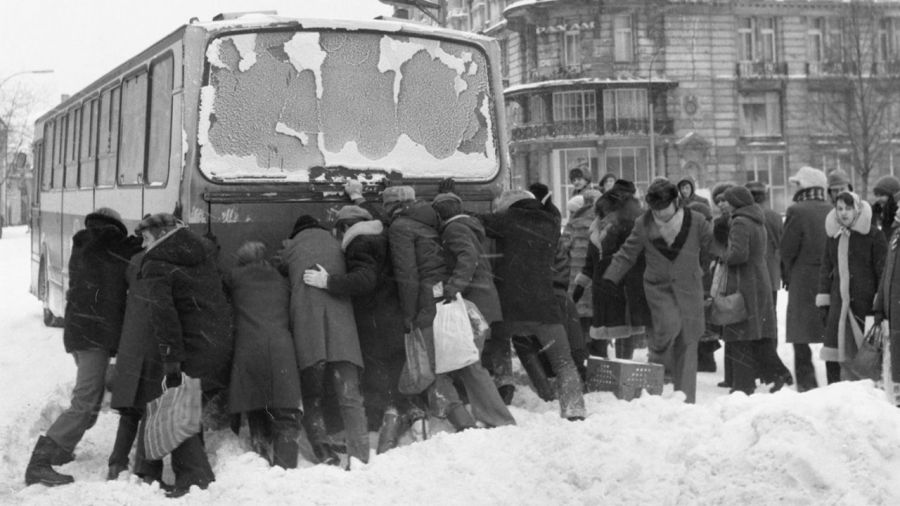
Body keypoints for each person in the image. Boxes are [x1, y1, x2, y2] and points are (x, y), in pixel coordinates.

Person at [25, 208, 141, 487]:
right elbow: (119, 256)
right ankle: (40, 462)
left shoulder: (86, 247)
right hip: (92, 336)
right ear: (112, 229)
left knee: (92, 395)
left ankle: (61, 449)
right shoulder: (102, 247)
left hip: (83, 333)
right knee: (86, 398)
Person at [135, 212, 234, 497]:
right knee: (183, 401)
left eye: (145, 237)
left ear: (159, 235)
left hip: (190, 346)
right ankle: (148, 470)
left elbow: (163, 315)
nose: (143, 244)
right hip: (215, 342)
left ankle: (194, 477)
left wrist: (171, 358)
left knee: (178, 404)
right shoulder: (200, 253)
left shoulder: (157, 263)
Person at [302, 204, 409, 454]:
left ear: (346, 227)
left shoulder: (359, 242)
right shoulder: (382, 236)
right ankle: (393, 426)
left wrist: (328, 281)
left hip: (374, 323)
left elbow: (365, 280)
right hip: (392, 317)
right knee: (393, 381)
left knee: (375, 380)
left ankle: (384, 439)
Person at [602, 180, 713, 404]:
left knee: (688, 341)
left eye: (664, 208)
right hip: (659, 288)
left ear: (675, 202)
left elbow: (712, 245)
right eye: (655, 209)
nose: (660, 214)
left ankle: (685, 400)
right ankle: (654, 390)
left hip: (689, 288)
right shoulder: (644, 223)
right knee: (669, 325)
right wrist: (609, 278)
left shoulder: (696, 221)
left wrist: (720, 246)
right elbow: (627, 253)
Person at [479, 189, 587, 420]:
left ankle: (503, 380)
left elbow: (476, 220)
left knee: (498, 342)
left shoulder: (507, 221)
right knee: (563, 361)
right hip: (544, 307)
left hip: (509, 307)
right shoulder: (550, 225)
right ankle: (574, 408)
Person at [382, 186, 479, 431]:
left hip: (424, 298)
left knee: (428, 364)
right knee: (439, 360)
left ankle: (461, 421)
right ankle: (457, 416)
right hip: (440, 293)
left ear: (390, 207)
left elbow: (407, 274)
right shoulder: (428, 219)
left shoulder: (399, 227)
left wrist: (408, 314)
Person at [279, 215, 369, 466]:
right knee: (350, 396)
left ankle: (323, 452)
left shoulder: (290, 247)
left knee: (312, 395)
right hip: (343, 334)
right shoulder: (337, 245)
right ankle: (360, 456)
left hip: (310, 333)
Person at [430, 192, 516, 428]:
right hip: (484, 302)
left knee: (469, 366)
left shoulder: (453, 230)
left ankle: (498, 418)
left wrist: (452, 287)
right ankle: (492, 417)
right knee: (469, 365)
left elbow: (467, 258)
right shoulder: (469, 226)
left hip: (473, 305)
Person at [226, 241, 302, 469]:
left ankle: (260, 459)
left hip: (249, 347)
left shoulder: (234, 278)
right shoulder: (281, 280)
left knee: (256, 404)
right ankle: (286, 468)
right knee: (285, 412)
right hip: (281, 346)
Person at [816, 192, 886, 383]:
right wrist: (824, 299)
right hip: (838, 305)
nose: (844, 213)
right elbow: (826, 268)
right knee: (834, 349)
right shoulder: (833, 236)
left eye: (848, 208)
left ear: (857, 209)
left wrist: (880, 300)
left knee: (865, 352)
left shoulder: (873, 236)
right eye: (839, 209)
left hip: (865, 303)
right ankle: (835, 389)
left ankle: (866, 388)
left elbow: (883, 270)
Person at [715, 187, 779, 395]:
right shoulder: (756, 218)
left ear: (735, 202)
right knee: (755, 332)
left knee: (739, 332)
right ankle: (772, 377)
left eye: (728, 200)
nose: (725, 204)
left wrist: (722, 255)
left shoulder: (740, 221)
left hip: (743, 282)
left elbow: (738, 254)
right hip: (758, 278)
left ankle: (743, 385)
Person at [574, 180, 645, 359]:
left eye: (608, 212)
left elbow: (632, 258)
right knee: (602, 332)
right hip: (602, 289)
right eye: (602, 212)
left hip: (623, 287)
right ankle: (607, 371)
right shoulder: (596, 230)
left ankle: (624, 369)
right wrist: (580, 286)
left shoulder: (627, 229)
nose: (605, 216)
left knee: (624, 330)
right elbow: (590, 263)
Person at [782, 166, 831, 392]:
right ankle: (835, 380)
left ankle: (807, 382)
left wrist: (788, 272)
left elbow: (787, 249)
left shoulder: (796, 211)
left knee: (800, 333)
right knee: (829, 330)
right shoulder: (832, 209)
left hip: (803, 278)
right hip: (828, 278)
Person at [745, 181, 793, 392]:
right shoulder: (774, 216)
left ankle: (767, 369)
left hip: (753, 278)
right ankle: (769, 366)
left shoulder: (746, 216)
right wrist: (783, 272)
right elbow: (783, 246)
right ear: (764, 196)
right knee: (769, 322)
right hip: (771, 275)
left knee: (756, 325)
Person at [873, 190, 900, 405]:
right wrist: (880, 305)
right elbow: (887, 275)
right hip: (894, 313)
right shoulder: (895, 235)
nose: (897, 210)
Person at [872, 175, 900, 241]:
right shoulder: (877, 214)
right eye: (876, 195)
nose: (878, 199)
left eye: (882, 195)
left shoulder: (896, 217)